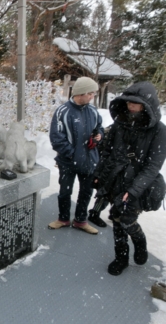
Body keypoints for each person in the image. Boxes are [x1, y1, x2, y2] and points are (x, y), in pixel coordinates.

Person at [93, 82, 166, 276]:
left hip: (139, 184)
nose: (131, 106)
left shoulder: (159, 130)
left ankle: (140, 242)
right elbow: (108, 152)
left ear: (147, 104)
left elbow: (153, 166)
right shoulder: (120, 123)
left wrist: (133, 190)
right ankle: (121, 257)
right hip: (116, 180)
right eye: (128, 102)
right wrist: (100, 175)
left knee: (127, 220)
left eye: (136, 103)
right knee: (117, 221)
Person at [48, 77, 104, 235]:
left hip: (89, 161)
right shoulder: (63, 111)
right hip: (68, 162)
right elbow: (56, 138)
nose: (93, 96)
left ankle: (80, 221)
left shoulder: (92, 110)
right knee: (65, 192)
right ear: (81, 93)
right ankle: (63, 219)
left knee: (86, 192)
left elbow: (99, 127)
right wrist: (73, 154)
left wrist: (99, 135)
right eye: (91, 93)